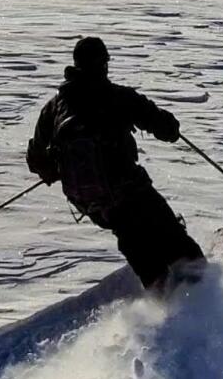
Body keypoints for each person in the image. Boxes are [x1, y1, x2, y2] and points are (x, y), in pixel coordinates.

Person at [26, 36, 206, 290]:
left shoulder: (54, 108)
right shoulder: (117, 97)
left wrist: (56, 169)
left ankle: (159, 290)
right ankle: (199, 283)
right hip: (128, 188)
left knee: (129, 234)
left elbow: (35, 158)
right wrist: (171, 129)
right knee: (166, 231)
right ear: (103, 64)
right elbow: (164, 126)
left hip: (89, 201)